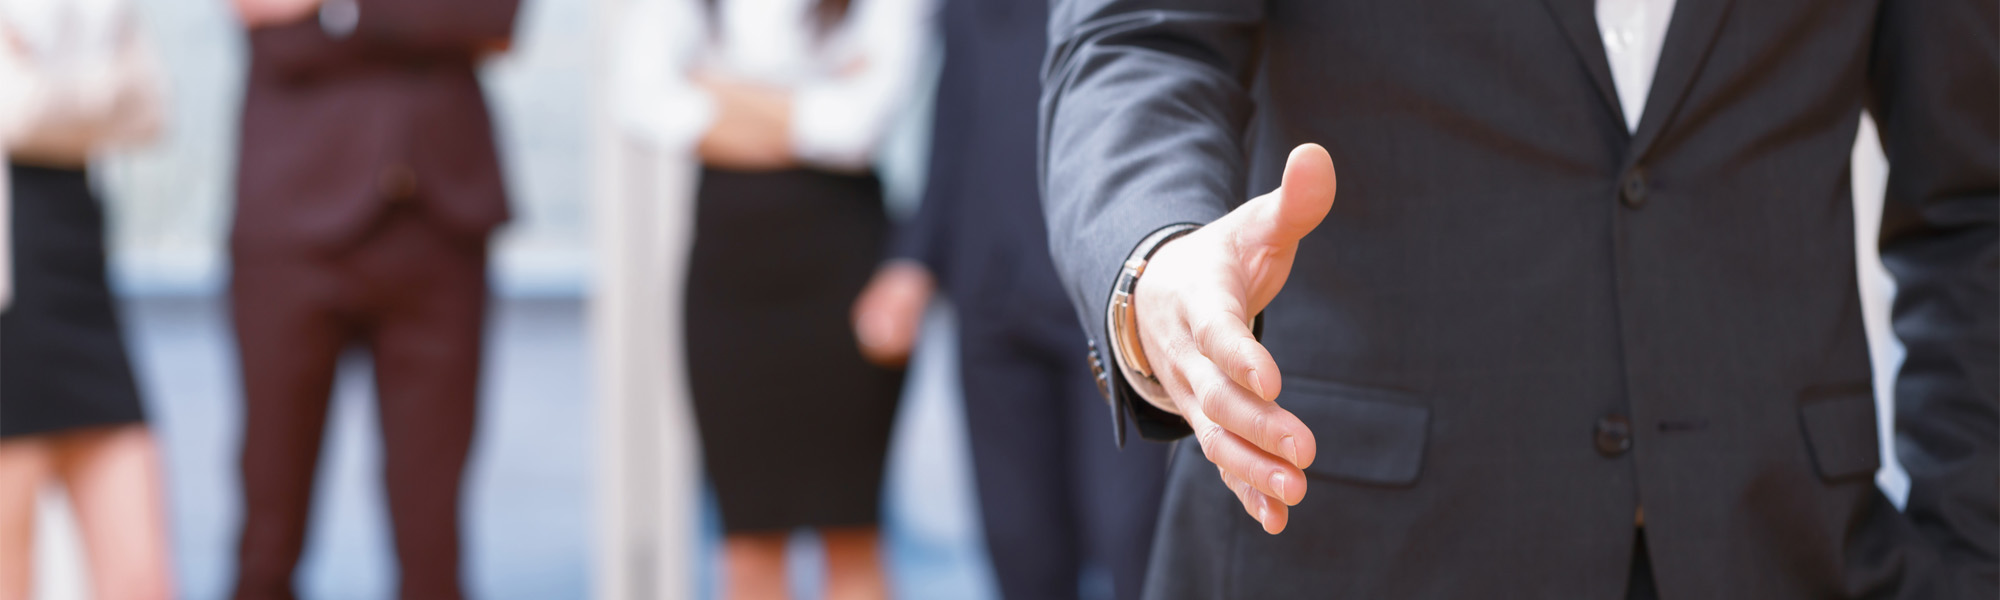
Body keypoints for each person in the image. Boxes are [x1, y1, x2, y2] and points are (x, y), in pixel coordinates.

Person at [1039, 0, 1997, 597]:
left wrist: (1973, 554)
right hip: (1358, 550)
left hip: (1791, 551)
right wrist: (1155, 261)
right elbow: (1138, 39)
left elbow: (1973, 197)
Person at [848, 0, 1168, 597]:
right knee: (1019, 545)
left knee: (1131, 539)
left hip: (1111, 295)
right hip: (993, 292)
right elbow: (956, 115)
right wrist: (912, 260)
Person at [611, 0, 930, 597]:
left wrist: (712, 91)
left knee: (851, 528)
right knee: (748, 537)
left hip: (844, 273)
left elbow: (859, 127)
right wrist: (807, 106)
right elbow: (640, 102)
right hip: (729, 280)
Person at [225, 1, 518, 598]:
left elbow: (493, 16)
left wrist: (337, 11)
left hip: (441, 221)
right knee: (269, 532)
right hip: (290, 223)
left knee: (433, 542)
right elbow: (277, 32)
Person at [0, 1, 174, 598]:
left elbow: (149, 104)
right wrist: (98, 90)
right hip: (8, 301)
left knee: (142, 579)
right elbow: (13, 110)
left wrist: (40, 79)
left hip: (82, 278)